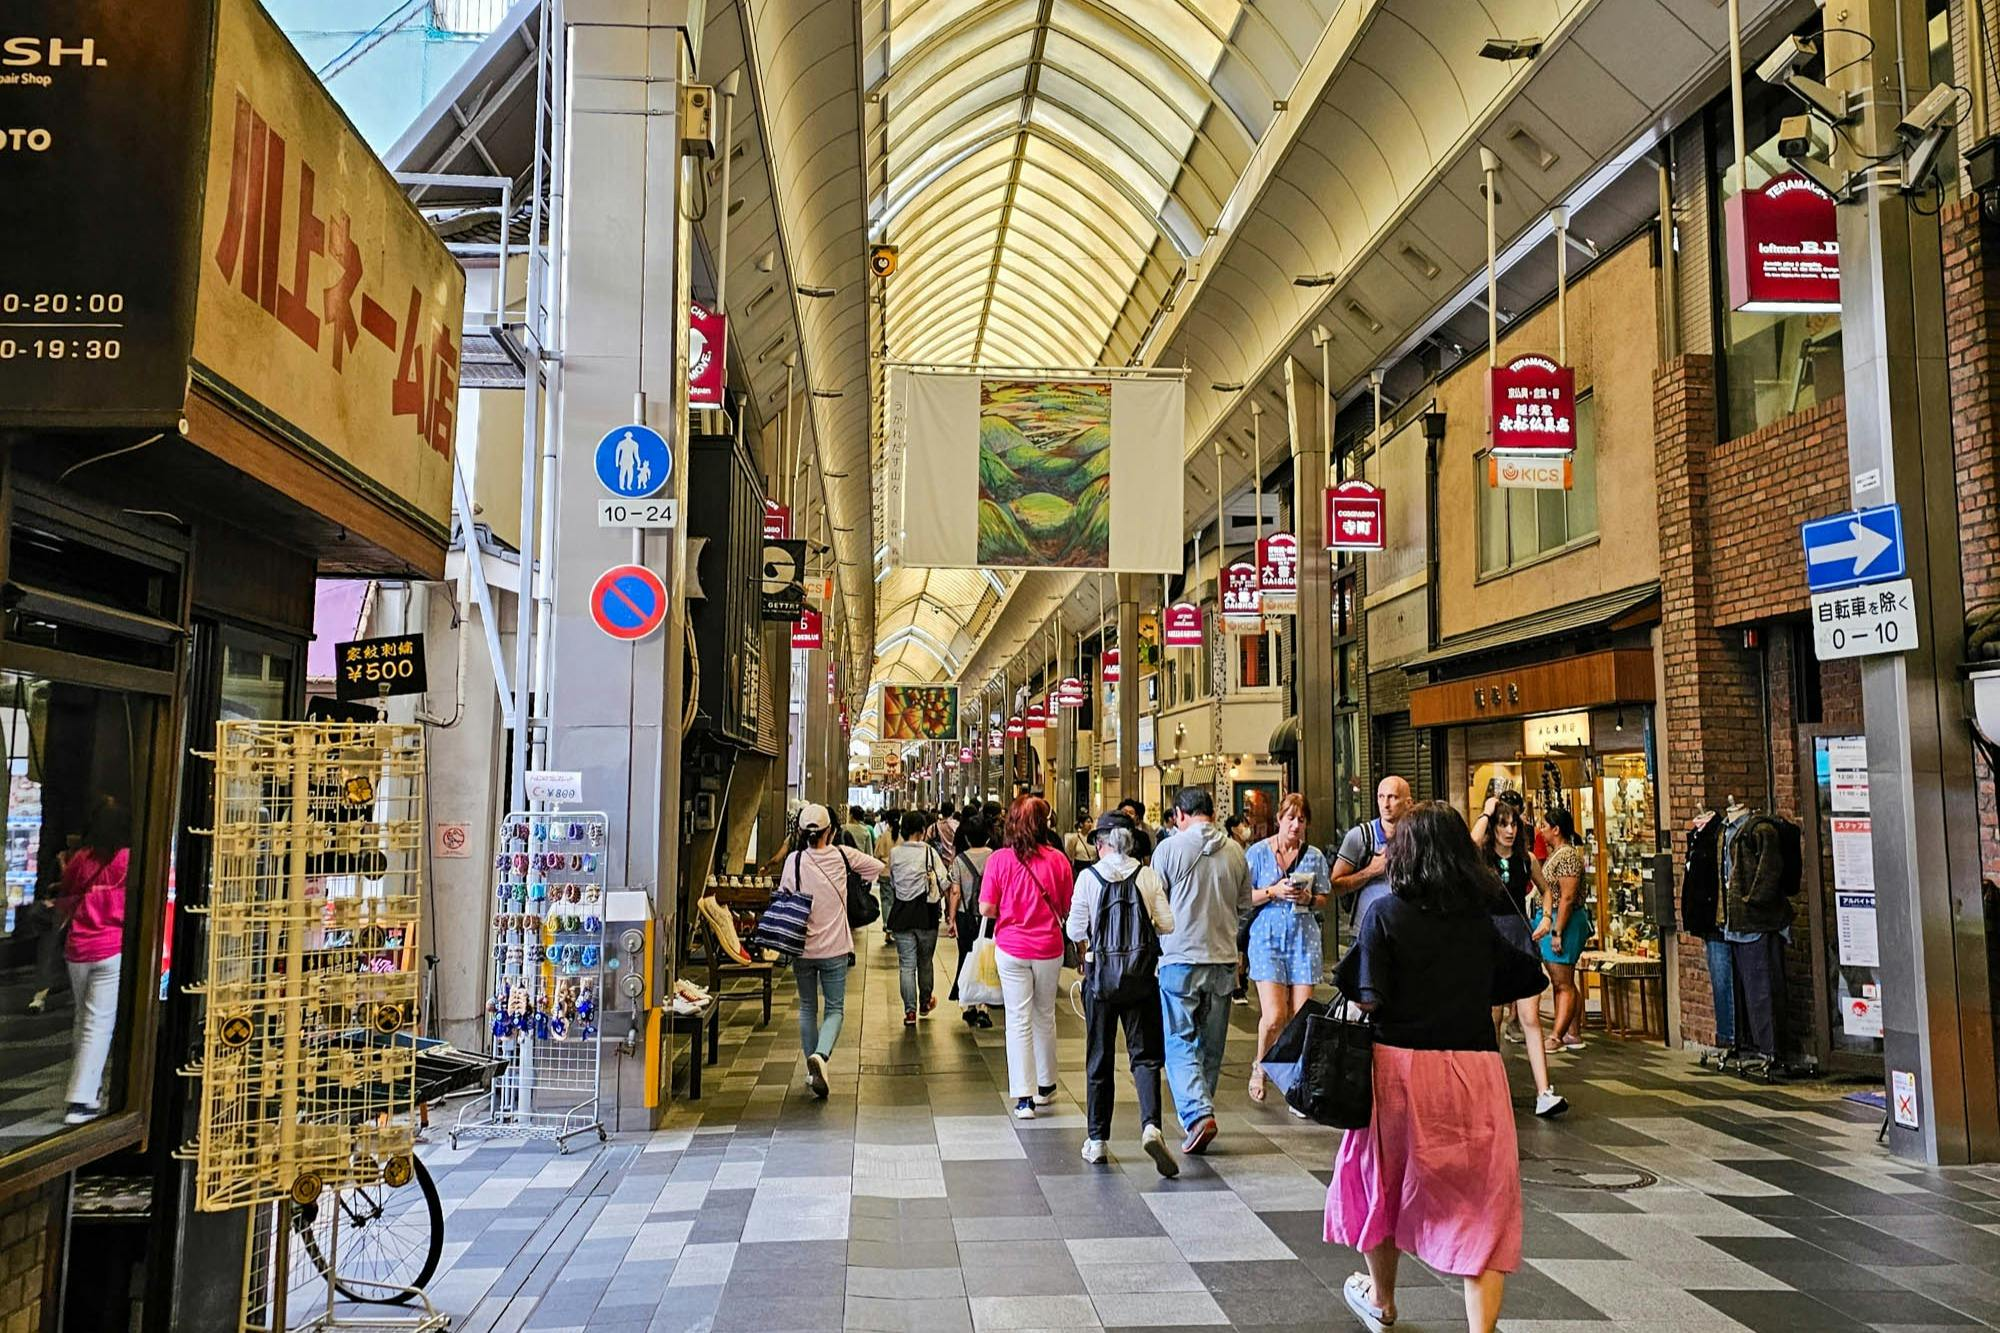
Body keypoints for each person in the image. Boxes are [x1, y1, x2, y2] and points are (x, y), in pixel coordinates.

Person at [1326, 802, 1547, 1333]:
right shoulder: (1480, 918)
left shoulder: (1385, 913)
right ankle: (1481, 1329)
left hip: (1397, 1072)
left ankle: (1382, 1301)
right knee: (1484, 1199)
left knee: (1381, 1182)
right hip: (1475, 1072)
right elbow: (1525, 978)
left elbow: (1368, 997)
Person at [1065, 812, 1178, 1175]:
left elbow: (1075, 929)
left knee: (1099, 1057)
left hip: (1101, 980)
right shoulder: (1147, 877)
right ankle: (1151, 1126)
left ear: (1102, 844)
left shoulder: (1088, 878)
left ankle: (1097, 1141)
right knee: (1145, 1058)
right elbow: (1168, 923)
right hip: (1141, 978)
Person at [1149, 787, 1251, 1154]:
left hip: (1179, 959)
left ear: (1179, 814)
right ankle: (1199, 1114)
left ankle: (1196, 1114)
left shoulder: (1169, 849)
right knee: (1210, 1046)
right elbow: (1244, 907)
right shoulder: (1236, 851)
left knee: (1179, 1041)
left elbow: (1153, 902)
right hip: (1222, 960)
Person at [777, 803, 884, 1098]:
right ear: (831, 831)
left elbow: (785, 894)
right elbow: (877, 867)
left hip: (802, 947)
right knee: (834, 1009)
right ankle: (821, 1057)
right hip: (835, 948)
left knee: (808, 1007)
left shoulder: (794, 861)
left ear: (801, 832)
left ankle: (812, 1072)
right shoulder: (841, 855)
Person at [978, 795, 1074, 1119]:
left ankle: (1024, 1098)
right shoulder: (1059, 860)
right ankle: (1047, 1086)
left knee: (1017, 1020)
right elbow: (1065, 906)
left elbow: (986, 908)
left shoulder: (999, 860)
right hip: (1049, 947)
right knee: (1045, 1015)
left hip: (1012, 947)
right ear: (1044, 824)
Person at [1477, 794, 1568, 1117]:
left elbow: (1546, 890)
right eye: (1503, 824)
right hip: (1489, 938)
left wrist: (1546, 918)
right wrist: (1487, 813)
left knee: (1530, 1017)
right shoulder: (1481, 857)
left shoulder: (1526, 859)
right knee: (1493, 1018)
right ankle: (1489, 1090)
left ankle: (1544, 1090)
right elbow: (1471, 842)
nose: (1509, 830)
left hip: (1519, 935)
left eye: (1513, 823)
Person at [1243, 794, 1331, 1107]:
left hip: (1304, 939)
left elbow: (1324, 897)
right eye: (1290, 818)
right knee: (1274, 1016)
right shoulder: (1256, 853)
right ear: (1279, 819)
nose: (1295, 826)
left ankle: (1296, 1078)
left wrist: (1308, 899)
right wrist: (1273, 891)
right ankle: (1260, 1065)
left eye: (1301, 820)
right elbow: (1243, 898)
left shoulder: (1315, 857)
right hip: (1266, 939)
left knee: (1301, 1015)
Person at [56, 799, 129, 1124]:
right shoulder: (127, 859)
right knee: (98, 1024)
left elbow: (67, 895)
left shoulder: (81, 859)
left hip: (78, 949)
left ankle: (88, 1087)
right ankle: (81, 1099)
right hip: (111, 947)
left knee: (83, 1018)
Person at [1533, 808, 1589, 1052]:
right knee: (1565, 979)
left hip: (1562, 920)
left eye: (1544, 826)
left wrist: (1557, 931)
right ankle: (1572, 1032)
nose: (1541, 830)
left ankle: (1556, 1036)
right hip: (1555, 918)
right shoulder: (1558, 854)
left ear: (1556, 829)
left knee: (1561, 981)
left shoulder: (1567, 857)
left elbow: (1566, 898)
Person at [887, 810, 949, 1025]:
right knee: (925, 961)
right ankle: (924, 1002)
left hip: (901, 915)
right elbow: (945, 881)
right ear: (923, 830)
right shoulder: (930, 853)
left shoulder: (894, 853)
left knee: (906, 965)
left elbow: (893, 883)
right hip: (926, 915)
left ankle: (910, 1012)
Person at [1330, 776, 1411, 922]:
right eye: (1381, 797)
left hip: (1405, 929)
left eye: (1392, 797)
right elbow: (1335, 886)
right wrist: (1371, 871)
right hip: (1366, 929)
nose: (1385, 804)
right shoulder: (1359, 837)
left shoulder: (1417, 837)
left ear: (1408, 803)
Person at [945, 811, 997, 1028]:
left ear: (966, 838)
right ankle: (984, 1006)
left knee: (966, 956)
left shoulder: (959, 860)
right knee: (987, 959)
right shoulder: (995, 857)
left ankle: (968, 1005)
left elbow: (955, 892)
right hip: (991, 916)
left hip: (966, 917)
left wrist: (951, 918)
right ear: (987, 837)